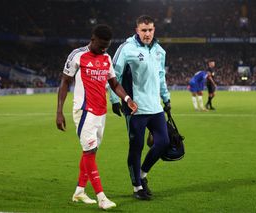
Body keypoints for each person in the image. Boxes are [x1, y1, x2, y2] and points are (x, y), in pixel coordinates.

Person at [56, 24, 138, 210]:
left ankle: (79, 191)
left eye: (106, 46)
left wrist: (127, 99)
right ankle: (101, 198)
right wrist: (59, 111)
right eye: (100, 45)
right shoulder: (77, 55)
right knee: (90, 151)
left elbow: (115, 83)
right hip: (84, 111)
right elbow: (64, 82)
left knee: (90, 151)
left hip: (101, 112)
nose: (103, 49)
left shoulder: (106, 58)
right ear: (92, 39)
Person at [109, 15, 171, 200]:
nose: (147, 33)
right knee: (136, 148)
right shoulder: (126, 49)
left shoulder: (159, 51)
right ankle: (137, 187)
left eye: (150, 30)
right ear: (137, 30)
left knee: (164, 143)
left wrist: (166, 99)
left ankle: (143, 174)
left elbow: (161, 77)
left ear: (154, 30)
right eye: (144, 30)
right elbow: (113, 75)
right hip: (135, 108)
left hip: (156, 107)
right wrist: (114, 100)